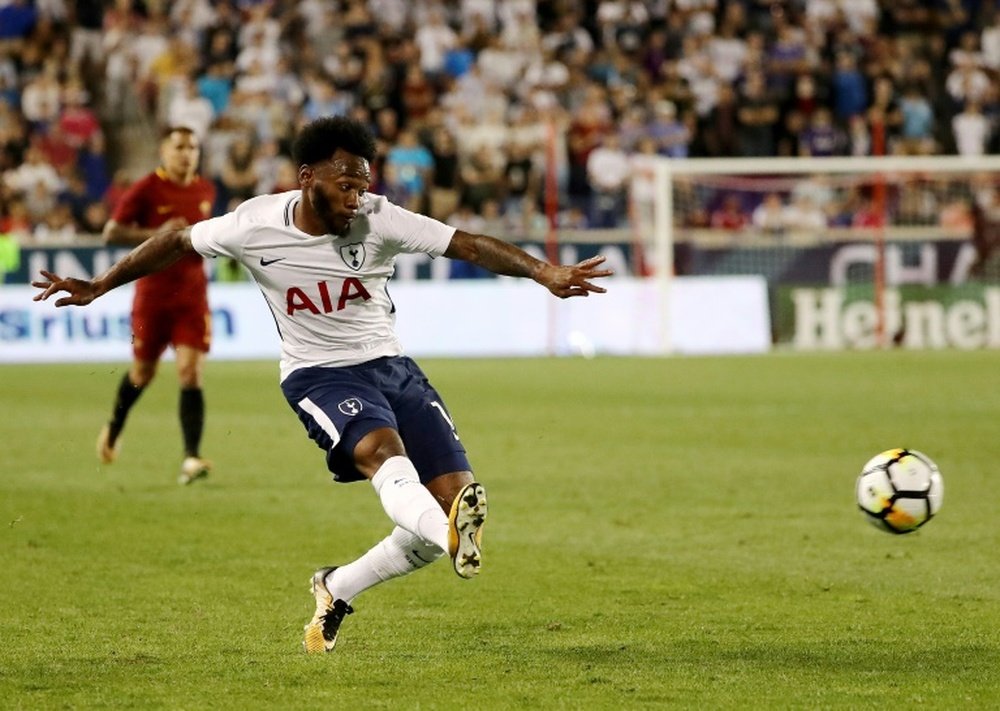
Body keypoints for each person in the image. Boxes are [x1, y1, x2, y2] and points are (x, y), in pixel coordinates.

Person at [32, 116, 612, 654]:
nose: (356, 198)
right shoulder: (254, 223)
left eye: (362, 186)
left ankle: (338, 585)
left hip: (394, 368)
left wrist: (545, 272)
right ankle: (450, 529)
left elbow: (466, 243)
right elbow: (176, 241)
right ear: (307, 178)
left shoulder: (379, 217)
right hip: (318, 373)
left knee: (444, 519)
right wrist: (101, 285)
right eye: (345, 185)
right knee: (389, 460)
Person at [98, 125, 217, 485]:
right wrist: (158, 233)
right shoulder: (148, 188)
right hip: (153, 296)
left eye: (192, 147)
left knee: (190, 373)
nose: (186, 153)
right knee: (142, 374)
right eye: (179, 147)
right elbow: (111, 232)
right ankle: (114, 429)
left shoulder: (205, 189)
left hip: (193, 296)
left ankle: (191, 458)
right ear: (164, 151)